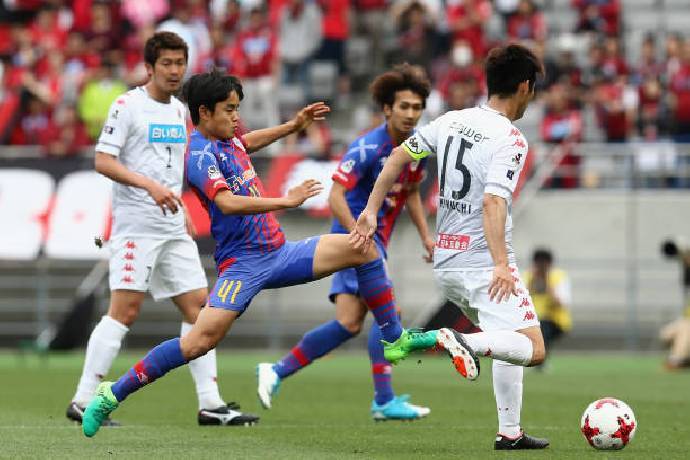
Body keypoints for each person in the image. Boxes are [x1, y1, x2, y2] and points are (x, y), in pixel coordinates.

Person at [79, 69, 439, 438]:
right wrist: (286, 199)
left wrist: (292, 126)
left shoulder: (228, 139)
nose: (236, 118)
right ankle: (111, 393)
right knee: (198, 342)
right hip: (243, 266)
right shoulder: (199, 154)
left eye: (237, 108)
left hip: (280, 252)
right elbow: (228, 202)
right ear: (204, 113)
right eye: (229, 110)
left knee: (364, 249)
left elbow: (246, 142)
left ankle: (394, 338)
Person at [350, 44, 550, 450]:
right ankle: (459, 341)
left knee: (506, 336)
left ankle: (509, 432)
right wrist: (500, 265)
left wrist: (371, 210)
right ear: (525, 87)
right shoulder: (511, 139)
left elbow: (395, 159)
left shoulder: (453, 120)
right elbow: (494, 201)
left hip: (447, 261)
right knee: (532, 347)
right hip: (482, 262)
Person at [66, 32, 258, 428]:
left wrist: (181, 203)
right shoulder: (128, 106)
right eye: (167, 63)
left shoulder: (178, 111)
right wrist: (150, 186)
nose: (175, 71)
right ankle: (84, 399)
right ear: (149, 67)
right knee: (125, 310)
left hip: (172, 224)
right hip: (136, 225)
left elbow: (175, 164)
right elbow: (103, 161)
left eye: (180, 63)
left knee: (200, 309)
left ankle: (210, 403)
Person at [256, 64, 435, 420]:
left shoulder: (416, 149)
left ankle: (276, 370)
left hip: (370, 242)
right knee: (391, 317)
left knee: (349, 323)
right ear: (387, 109)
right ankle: (384, 400)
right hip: (356, 241)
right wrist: (358, 233)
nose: (411, 114)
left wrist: (426, 237)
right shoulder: (367, 146)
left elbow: (411, 191)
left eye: (417, 107)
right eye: (404, 107)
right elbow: (336, 195)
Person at [524, 248, 572, 367]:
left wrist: (547, 283)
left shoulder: (559, 277)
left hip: (556, 321)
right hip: (530, 321)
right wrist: (532, 282)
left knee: (543, 326)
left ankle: (539, 360)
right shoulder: (527, 276)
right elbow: (520, 298)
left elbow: (562, 303)